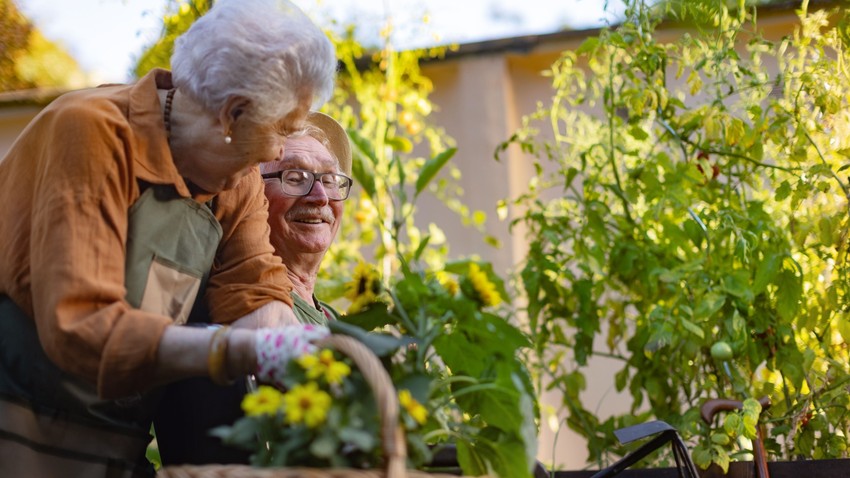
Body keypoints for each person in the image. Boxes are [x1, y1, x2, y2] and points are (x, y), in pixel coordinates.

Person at [0, 0, 337, 476]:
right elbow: (79, 324)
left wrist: (296, 348)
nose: (280, 150)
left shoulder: (234, 181)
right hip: (18, 422)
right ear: (232, 114)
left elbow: (254, 285)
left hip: (116, 436)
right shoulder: (94, 132)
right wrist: (227, 349)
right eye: (281, 130)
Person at [154, 111, 352, 465]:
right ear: (248, 199)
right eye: (295, 177)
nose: (320, 196)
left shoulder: (337, 321)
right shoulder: (228, 314)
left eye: (331, 179)